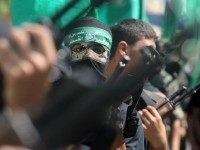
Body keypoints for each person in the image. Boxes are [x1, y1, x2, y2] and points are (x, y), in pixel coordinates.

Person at [106, 18, 168, 150]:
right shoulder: (85, 95)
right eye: (148, 52)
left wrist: (160, 144)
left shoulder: (130, 112)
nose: (151, 61)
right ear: (123, 49)